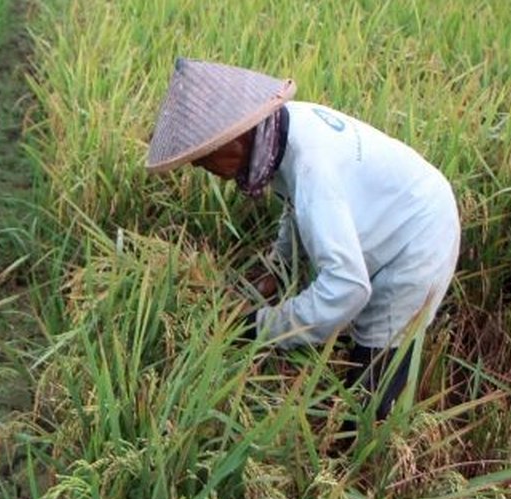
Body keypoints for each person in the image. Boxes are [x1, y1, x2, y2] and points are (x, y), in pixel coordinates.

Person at [145, 58, 460, 421]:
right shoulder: (280, 130)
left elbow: (347, 287)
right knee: (345, 330)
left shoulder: (314, 167)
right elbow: (296, 210)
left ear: (236, 134)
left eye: (204, 155)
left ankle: (368, 456)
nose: (202, 168)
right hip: (394, 208)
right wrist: (275, 270)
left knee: (374, 377)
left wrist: (260, 328)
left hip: (419, 234)